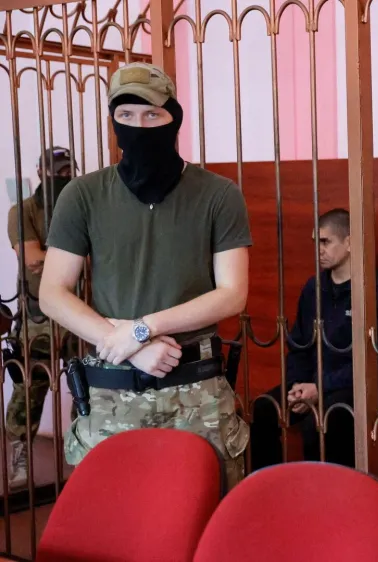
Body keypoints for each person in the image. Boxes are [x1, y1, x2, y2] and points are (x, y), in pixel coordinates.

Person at [39, 62, 253, 491]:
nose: (140, 125)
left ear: (174, 116)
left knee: (205, 520)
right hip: (111, 388)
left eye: (153, 114)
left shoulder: (219, 194)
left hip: (197, 390)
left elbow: (232, 294)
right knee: (113, 526)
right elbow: (52, 292)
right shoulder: (82, 195)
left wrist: (142, 330)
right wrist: (127, 346)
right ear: (113, 121)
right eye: (127, 115)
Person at [250, 208, 378, 470]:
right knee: (263, 409)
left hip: (358, 384)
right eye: (316, 242)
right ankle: (269, 488)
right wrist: (299, 385)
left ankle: (326, 499)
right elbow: (299, 344)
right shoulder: (314, 287)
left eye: (325, 241)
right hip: (314, 379)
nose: (319, 249)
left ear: (350, 242)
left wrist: (320, 387)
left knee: (322, 422)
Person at [4, 147, 80, 487]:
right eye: (55, 171)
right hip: (40, 314)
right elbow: (32, 259)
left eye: (66, 172)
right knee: (30, 388)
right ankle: (20, 452)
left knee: (89, 387)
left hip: (84, 313)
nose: (61, 177)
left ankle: (86, 454)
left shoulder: (83, 207)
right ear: (39, 171)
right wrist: (78, 256)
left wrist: (55, 257)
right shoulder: (23, 211)